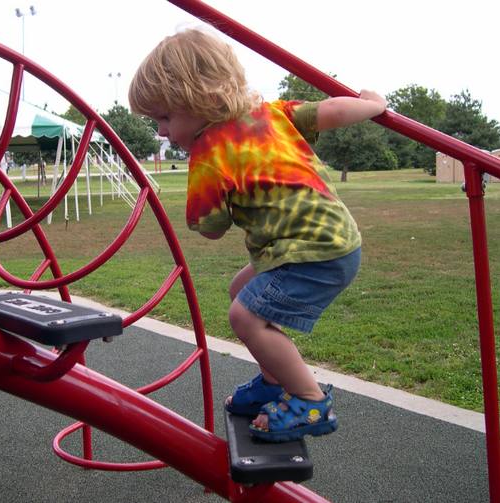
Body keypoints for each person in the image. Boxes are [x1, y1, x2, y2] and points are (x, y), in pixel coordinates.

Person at [128, 28, 387, 443]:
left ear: (198, 99)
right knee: (239, 291)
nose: (160, 131)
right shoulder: (272, 113)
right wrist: (372, 105)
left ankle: (309, 400)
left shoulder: (209, 154)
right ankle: (272, 381)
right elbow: (332, 112)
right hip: (330, 240)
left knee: (245, 315)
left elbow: (210, 229)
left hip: (310, 251)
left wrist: (201, 213)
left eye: (164, 117)